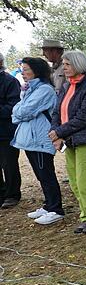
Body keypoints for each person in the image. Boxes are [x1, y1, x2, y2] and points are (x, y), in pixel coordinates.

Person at [49, 50, 86, 234]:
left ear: (78, 65)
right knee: (74, 181)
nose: (63, 67)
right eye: (63, 64)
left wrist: (58, 132)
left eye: (67, 64)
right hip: (70, 139)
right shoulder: (66, 86)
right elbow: (57, 111)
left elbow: (83, 118)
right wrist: (56, 132)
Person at [11, 57, 64, 224]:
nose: (23, 73)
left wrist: (18, 111)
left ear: (36, 70)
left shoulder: (44, 90)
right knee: (40, 175)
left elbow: (23, 111)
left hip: (41, 139)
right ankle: (48, 205)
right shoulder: (30, 89)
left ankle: (56, 208)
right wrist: (18, 110)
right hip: (31, 139)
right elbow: (18, 110)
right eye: (22, 69)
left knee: (46, 174)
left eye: (26, 69)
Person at [0, 53, 21, 209]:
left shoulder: (10, 81)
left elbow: (13, 107)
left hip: (6, 131)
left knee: (9, 164)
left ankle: (12, 194)